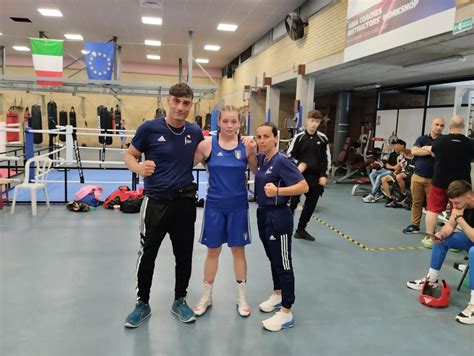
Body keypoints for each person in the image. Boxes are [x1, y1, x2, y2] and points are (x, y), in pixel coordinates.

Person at [123, 83, 204, 328]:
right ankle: (142, 303)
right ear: (168, 101)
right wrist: (138, 167)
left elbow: (214, 148)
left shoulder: (195, 131)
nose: (181, 108)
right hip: (156, 202)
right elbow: (129, 155)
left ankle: (180, 300)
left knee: (184, 255)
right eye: (176, 101)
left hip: (184, 203)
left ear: (191, 105)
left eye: (186, 103)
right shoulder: (149, 128)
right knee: (148, 254)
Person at [192, 105, 257, 317]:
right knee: (213, 252)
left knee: (238, 251)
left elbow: (258, 170)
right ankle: (206, 295)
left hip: (238, 207)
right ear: (218, 122)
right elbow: (182, 165)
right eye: (225, 121)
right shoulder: (206, 145)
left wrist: (255, 148)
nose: (229, 125)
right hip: (214, 207)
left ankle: (241, 296)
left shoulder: (245, 147)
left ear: (240, 124)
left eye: (234, 122)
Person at [254, 122, 309, 332]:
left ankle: (287, 311)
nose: (261, 141)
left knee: (284, 263)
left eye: (266, 136)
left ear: (276, 137)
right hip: (263, 214)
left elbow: (304, 186)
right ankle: (278, 294)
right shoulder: (262, 159)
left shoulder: (282, 161)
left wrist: (278, 191)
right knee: (273, 258)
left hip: (279, 217)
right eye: (258, 137)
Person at [406, 180, 474, 325]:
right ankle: (432, 279)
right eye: (452, 203)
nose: (454, 206)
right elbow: (450, 225)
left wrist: (460, 219)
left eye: (457, 203)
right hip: (470, 238)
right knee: (442, 240)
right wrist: (441, 234)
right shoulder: (460, 205)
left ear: (469, 198)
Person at [423, 115, 474, 248]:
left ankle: (429, 237)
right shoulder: (470, 143)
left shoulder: (440, 141)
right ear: (463, 127)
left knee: (433, 210)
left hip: (440, 181)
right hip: (460, 186)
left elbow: (433, 153)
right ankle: (455, 241)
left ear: (449, 126)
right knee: (457, 212)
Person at [287, 110, 330, 241]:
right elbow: (289, 155)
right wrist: (298, 164)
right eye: (312, 121)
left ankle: (300, 230)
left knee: (310, 206)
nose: (314, 124)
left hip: (315, 178)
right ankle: (286, 228)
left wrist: (324, 174)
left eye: (317, 122)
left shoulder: (323, 139)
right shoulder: (299, 137)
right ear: (307, 121)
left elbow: (326, 159)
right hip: (299, 178)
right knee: (293, 204)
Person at [402, 117, 445, 234]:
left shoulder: (443, 141)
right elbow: (414, 151)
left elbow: (439, 154)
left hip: (434, 179)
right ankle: (414, 226)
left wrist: (426, 149)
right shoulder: (422, 138)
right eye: (437, 124)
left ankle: (432, 230)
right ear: (431, 125)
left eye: (442, 125)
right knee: (416, 202)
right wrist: (431, 150)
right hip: (417, 176)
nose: (439, 127)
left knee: (432, 206)